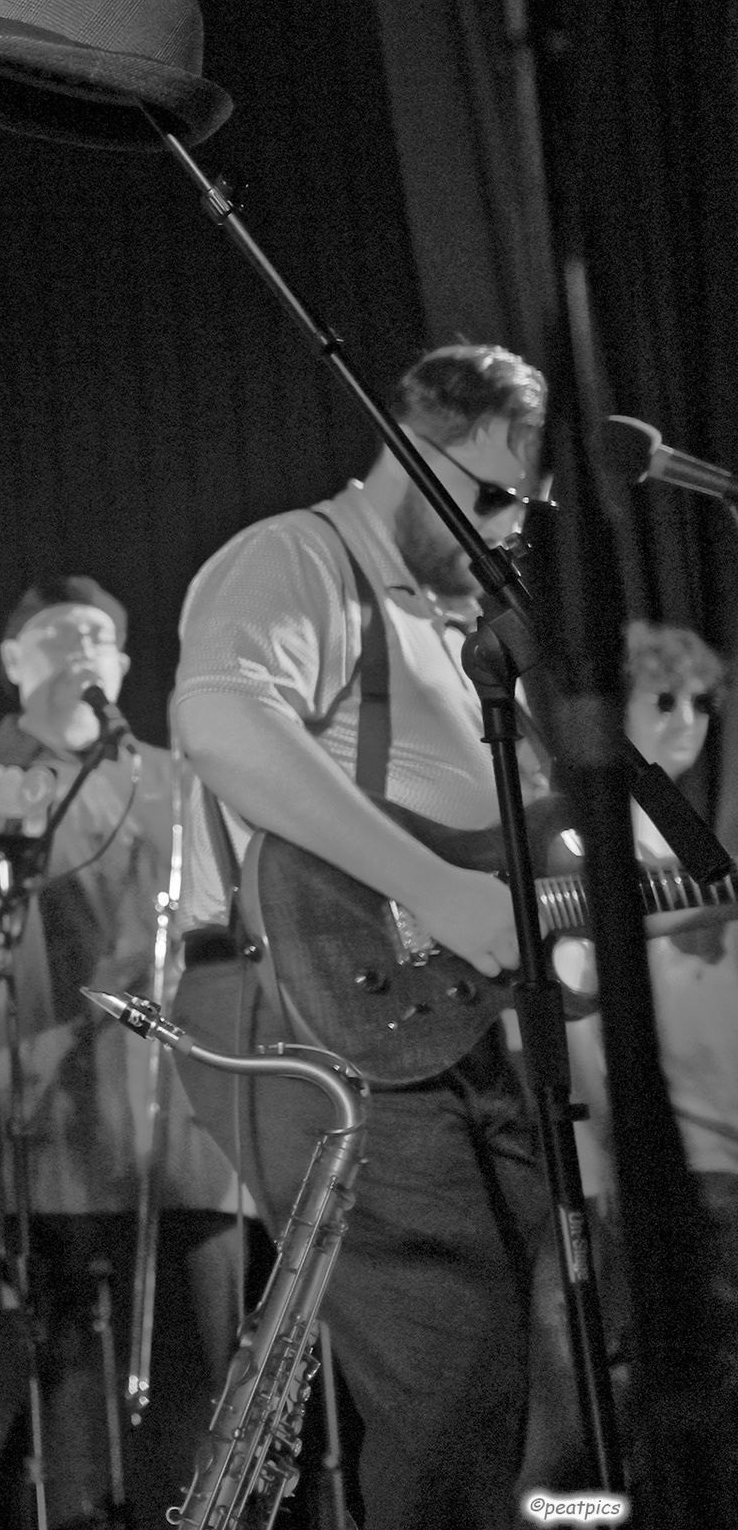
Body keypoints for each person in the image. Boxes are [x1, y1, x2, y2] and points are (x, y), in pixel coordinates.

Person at [169, 344, 551, 1530]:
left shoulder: (462, 623)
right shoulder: (300, 558)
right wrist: (435, 889)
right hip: (314, 1025)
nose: (507, 528)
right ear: (406, 450)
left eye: (523, 507)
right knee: (456, 1380)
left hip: (442, 1038)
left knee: (532, 1376)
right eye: (485, 497)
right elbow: (221, 719)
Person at [0, 577, 242, 1530]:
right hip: (23, 1137)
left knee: (190, 1409)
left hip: (174, 1144)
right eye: (56, 632)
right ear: (13, 663)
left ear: (124, 665)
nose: (83, 644)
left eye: (100, 633)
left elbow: (231, 909)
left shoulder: (180, 776)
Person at [559, 623, 738, 1403]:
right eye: (662, 700)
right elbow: (571, 992)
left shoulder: (690, 849)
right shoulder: (573, 849)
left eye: (703, 704)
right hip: (659, 1166)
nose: (687, 721)